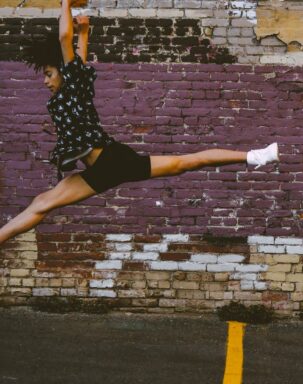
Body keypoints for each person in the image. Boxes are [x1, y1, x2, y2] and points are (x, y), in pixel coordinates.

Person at [0, 0, 279, 246]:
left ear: (63, 73)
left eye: (49, 74)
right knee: (40, 203)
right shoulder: (76, 88)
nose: (45, 81)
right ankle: (255, 156)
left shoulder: (71, 87)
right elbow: (80, 60)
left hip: (112, 161)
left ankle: (256, 156)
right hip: (104, 167)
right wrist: (85, 32)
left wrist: (66, 4)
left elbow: (64, 38)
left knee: (187, 162)